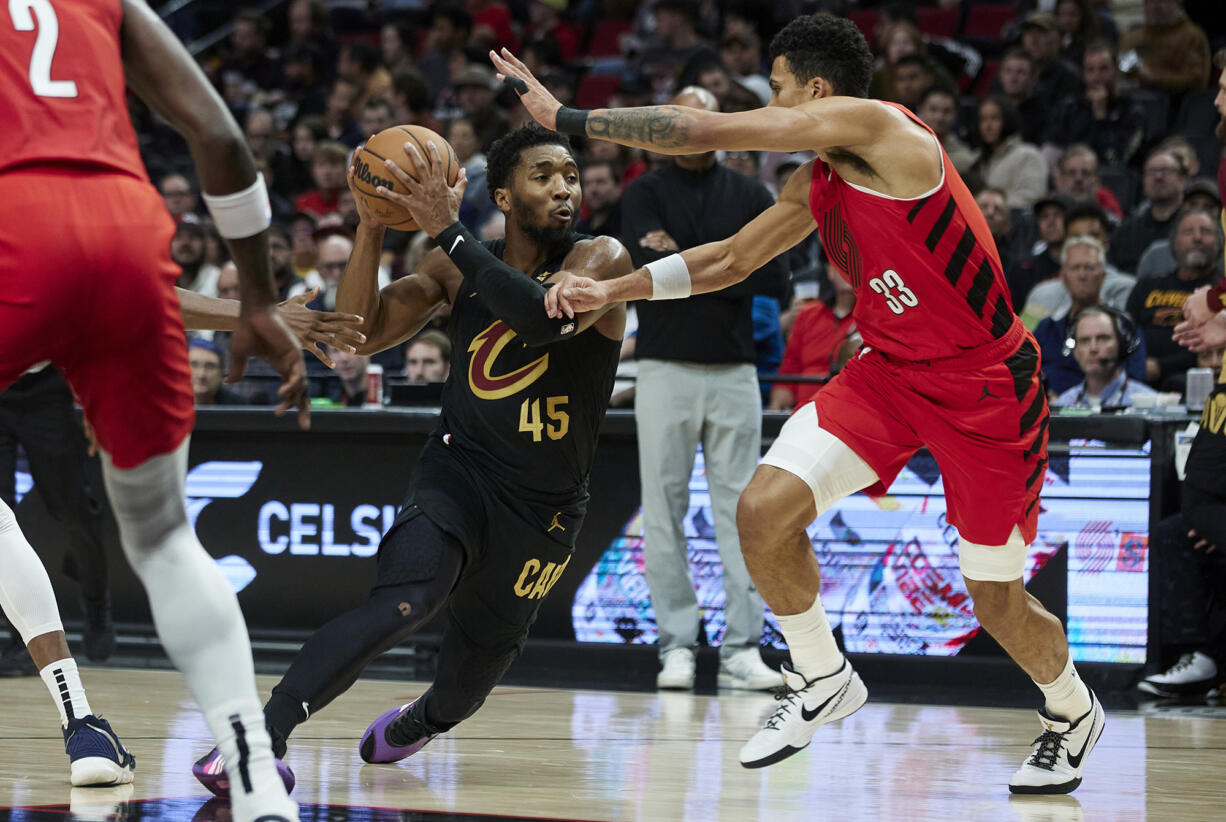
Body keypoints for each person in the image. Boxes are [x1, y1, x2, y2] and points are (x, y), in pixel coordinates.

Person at [497, 12, 1105, 792]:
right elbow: (729, 258)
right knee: (762, 512)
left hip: (986, 389)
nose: (766, 102)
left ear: (814, 92)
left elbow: (695, 130)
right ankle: (822, 677)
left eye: (776, 89)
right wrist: (614, 288)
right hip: (888, 375)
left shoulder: (883, 130)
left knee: (994, 598)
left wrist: (568, 119)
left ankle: (1071, 707)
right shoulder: (814, 178)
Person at [191, 124, 632, 785]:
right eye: (544, 176)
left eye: (571, 174)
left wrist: (447, 230)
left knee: (464, 688)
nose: (565, 187)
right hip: (462, 472)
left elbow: (542, 318)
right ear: (505, 197)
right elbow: (360, 336)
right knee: (405, 599)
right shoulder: (451, 267)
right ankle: (258, 739)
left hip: (543, 512)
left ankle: (420, 720)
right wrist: (371, 225)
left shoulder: (602, 260)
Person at [0, 2, 311, 819]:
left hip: (10, 224)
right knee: (166, 538)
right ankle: (250, 768)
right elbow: (221, 138)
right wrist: (259, 298)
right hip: (126, 232)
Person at [618, 86, 786, 693]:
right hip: (663, 367)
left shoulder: (752, 192)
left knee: (742, 514)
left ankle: (742, 648)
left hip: (735, 371)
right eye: (677, 121)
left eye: (699, 119)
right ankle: (678, 645)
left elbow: (776, 276)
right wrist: (729, 264)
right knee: (662, 511)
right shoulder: (643, 192)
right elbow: (644, 269)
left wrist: (682, 261)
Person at [1126, 207, 1224, 389]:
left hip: (1199, 382)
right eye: (1188, 232)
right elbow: (1126, 335)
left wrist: (1162, 367)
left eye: (1206, 231)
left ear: (1220, 243)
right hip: (1140, 383)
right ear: (1173, 243)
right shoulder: (1147, 287)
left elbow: (1218, 349)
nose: (1197, 238)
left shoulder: (1220, 294)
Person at [768, 273, 857, 412]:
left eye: (857, 263)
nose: (849, 271)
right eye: (842, 262)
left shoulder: (873, 317)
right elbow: (790, 368)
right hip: (803, 408)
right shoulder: (808, 314)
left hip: (845, 406)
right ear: (829, 271)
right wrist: (776, 407)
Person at [1050, 306, 1157, 408]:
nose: (1093, 348)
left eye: (1103, 338)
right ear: (1075, 351)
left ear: (1121, 345)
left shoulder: (1150, 403)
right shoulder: (1063, 404)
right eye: (1084, 340)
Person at [1110, 149, 1189, 273]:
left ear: (1183, 180)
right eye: (1151, 172)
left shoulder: (1197, 230)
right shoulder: (1126, 232)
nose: (1158, 177)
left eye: (1166, 171)